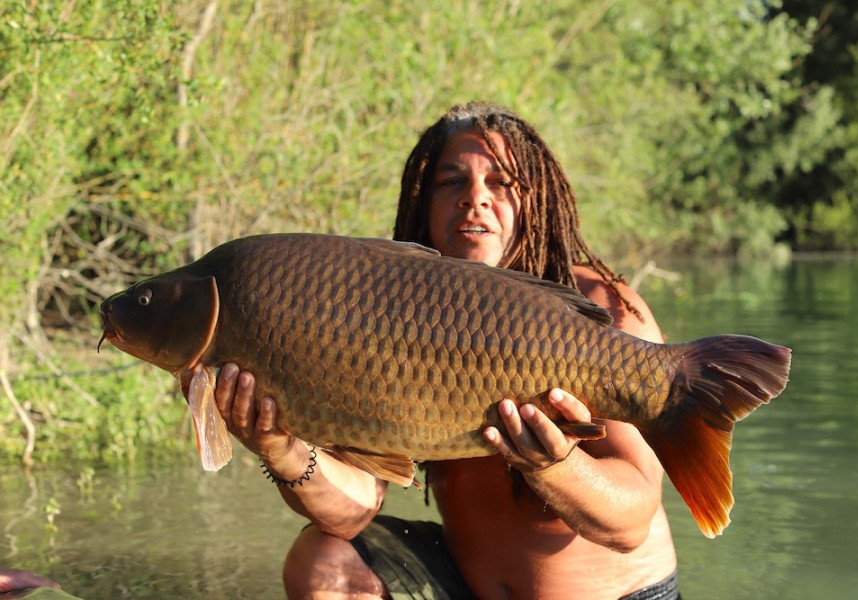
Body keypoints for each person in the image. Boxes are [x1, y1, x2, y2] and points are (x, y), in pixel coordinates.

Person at [212, 102, 679, 599]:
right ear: (422, 203)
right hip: (462, 588)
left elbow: (629, 525)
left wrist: (555, 464)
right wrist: (282, 451)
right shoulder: (384, 314)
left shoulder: (602, 311)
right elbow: (353, 513)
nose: (475, 199)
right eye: (452, 182)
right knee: (324, 562)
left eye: (501, 182)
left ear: (535, 203)